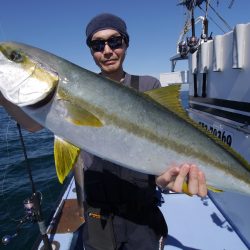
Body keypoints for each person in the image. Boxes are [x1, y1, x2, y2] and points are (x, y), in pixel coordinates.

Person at [0, 13, 207, 250]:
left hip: (142, 212)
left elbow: (162, 151)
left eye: (114, 41)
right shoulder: (62, 98)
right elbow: (34, 125)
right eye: (97, 45)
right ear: (91, 51)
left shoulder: (148, 86)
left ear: (126, 43)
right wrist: (4, 98)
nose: (107, 50)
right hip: (98, 216)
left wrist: (164, 180)